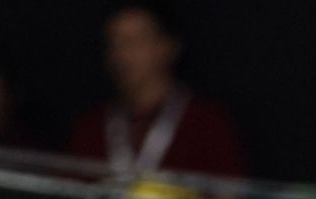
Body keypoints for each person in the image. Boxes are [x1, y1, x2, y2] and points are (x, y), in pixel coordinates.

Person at [67, 1, 248, 180]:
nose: (123, 55)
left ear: (168, 46)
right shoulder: (92, 127)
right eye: (116, 43)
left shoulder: (206, 124)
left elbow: (227, 198)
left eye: (135, 42)